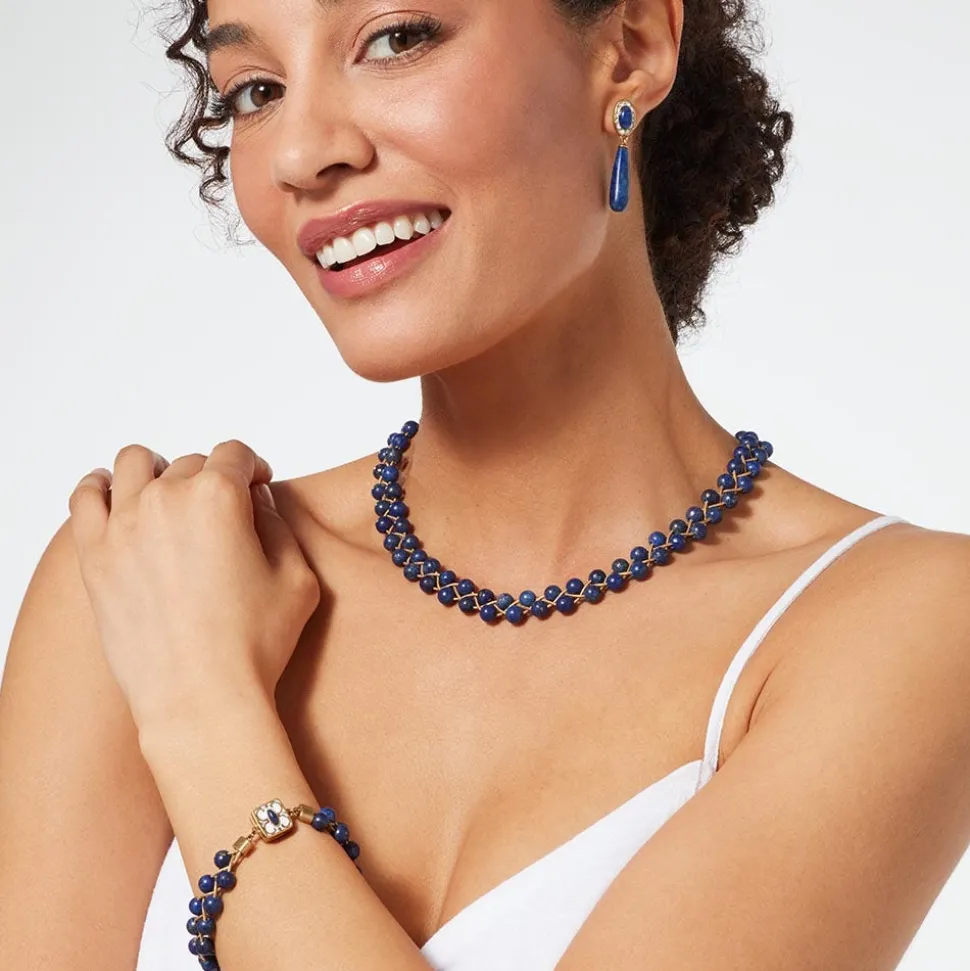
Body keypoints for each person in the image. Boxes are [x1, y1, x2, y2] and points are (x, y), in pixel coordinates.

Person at [1, 1, 968, 969]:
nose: (300, 152)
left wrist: (202, 709)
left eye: (396, 38)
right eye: (256, 92)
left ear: (630, 46)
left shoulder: (900, 621)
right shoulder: (147, 575)